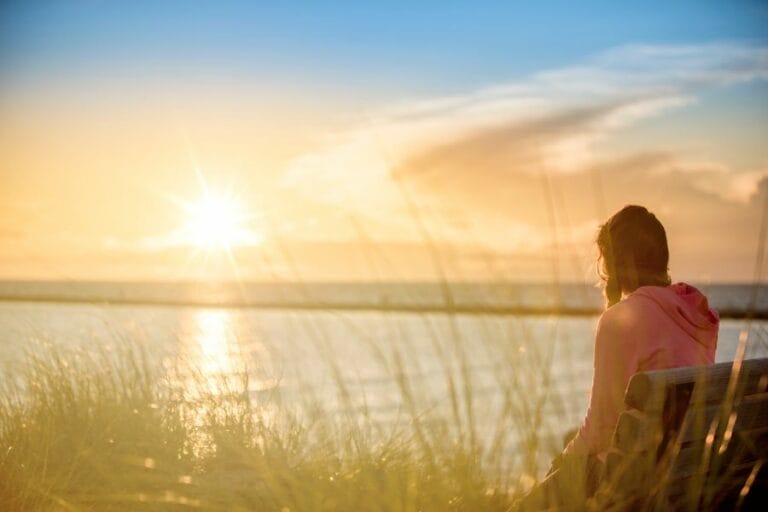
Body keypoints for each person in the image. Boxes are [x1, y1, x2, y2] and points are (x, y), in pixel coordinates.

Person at [517, 205, 719, 510]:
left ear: (619, 262)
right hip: (688, 472)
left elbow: (601, 428)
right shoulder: (701, 315)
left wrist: (561, 462)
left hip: (636, 478)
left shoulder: (622, 319)